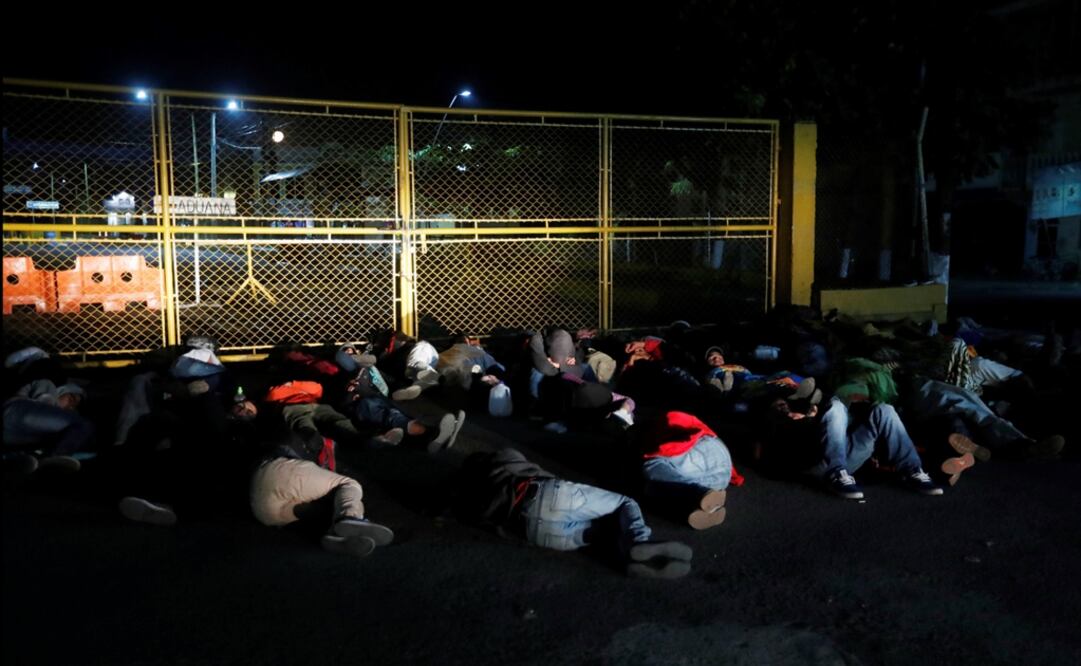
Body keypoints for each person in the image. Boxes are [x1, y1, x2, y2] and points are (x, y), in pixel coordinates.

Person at [453, 448, 693, 578]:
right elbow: (525, 464)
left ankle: (630, 558)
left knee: (603, 533)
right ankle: (640, 543)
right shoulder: (502, 457)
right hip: (543, 495)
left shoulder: (472, 499)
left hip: (536, 534)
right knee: (624, 504)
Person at [640, 411, 742, 530]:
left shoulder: (654, 426)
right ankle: (707, 507)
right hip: (722, 475)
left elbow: (659, 450)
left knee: (650, 467)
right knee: (654, 487)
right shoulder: (675, 417)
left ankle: (698, 493)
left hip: (701, 453)